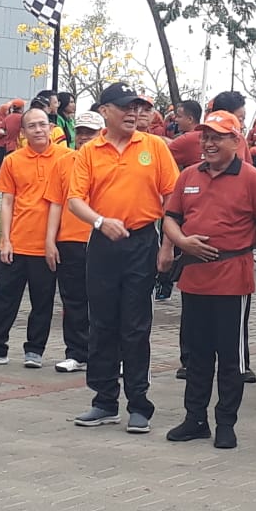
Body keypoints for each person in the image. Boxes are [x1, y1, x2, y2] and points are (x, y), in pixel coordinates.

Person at [67, 82, 179, 434]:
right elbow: (75, 199)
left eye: (138, 107)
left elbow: (171, 199)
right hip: (102, 243)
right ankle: (103, 400)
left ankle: (139, 403)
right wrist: (100, 221)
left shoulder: (154, 147)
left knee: (135, 324)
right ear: (105, 111)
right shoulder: (89, 151)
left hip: (142, 242)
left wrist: (167, 245)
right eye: (125, 106)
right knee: (101, 323)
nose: (133, 113)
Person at [163, 110, 256, 449]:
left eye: (216, 137)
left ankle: (226, 422)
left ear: (235, 140)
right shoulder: (188, 175)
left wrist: (240, 245)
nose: (208, 143)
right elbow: (170, 218)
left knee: (230, 357)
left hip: (232, 280)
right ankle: (194, 418)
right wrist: (181, 242)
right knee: (197, 355)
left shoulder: (252, 178)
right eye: (205, 137)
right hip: (194, 278)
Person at [0, 107, 68, 368]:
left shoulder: (67, 158)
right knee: (3, 298)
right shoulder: (13, 161)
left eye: (43, 124)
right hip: (17, 242)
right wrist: (6, 239)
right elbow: (7, 203)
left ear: (51, 128)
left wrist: (55, 242)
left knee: (42, 301)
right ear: (22, 132)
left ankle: (35, 350)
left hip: (47, 245)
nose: (38, 130)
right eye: (32, 126)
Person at [44, 112, 103, 373]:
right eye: (80, 132)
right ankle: (77, 353)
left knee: (104, 301)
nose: (84, 137)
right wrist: (50, 240)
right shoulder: (64, 162)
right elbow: (55, 202)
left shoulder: (110, 161)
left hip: (101, 239)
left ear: (102, 133)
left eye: (90, 132)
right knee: (73, 300)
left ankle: (107, 355)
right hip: (69, 239)